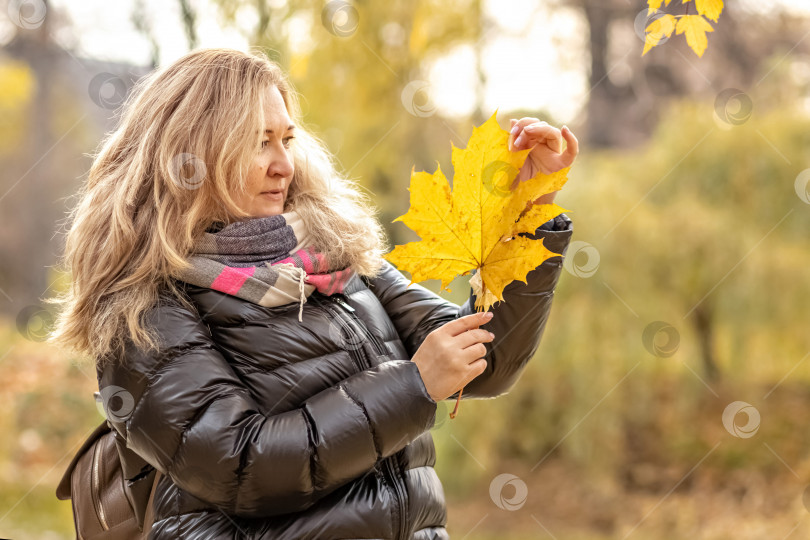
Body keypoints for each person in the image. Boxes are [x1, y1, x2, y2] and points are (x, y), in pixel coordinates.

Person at [47, 48, 577, 539]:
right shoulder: (146, 309)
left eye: (287, 138)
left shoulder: (334, 258)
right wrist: (413, 386)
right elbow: (241, 466)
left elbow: (486, 357)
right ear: (193, 156)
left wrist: (528, 215)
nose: (283, 164)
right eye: (259, 141)